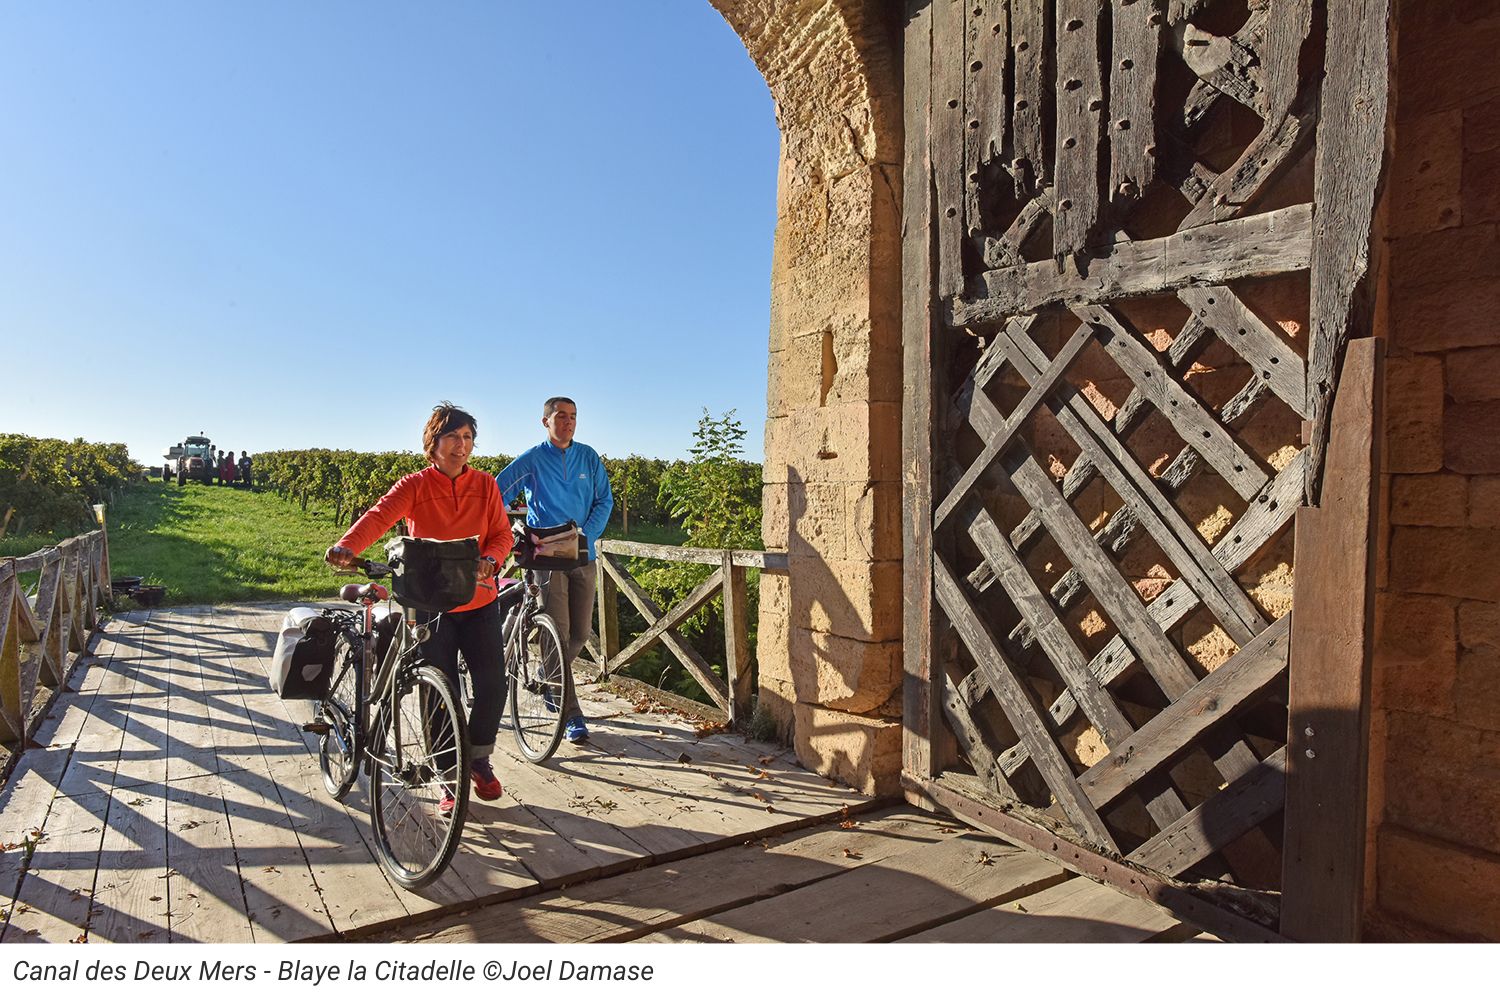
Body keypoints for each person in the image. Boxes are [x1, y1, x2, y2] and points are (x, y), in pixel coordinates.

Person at [326, 402, 512, 808]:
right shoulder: (415, 485)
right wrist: (347, 546)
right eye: (452, 437)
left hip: (478, 600)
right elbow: (379, 516)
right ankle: (448, 777)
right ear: (433, 442)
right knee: (437, 688)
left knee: (493, 686)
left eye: (467, 438)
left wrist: (492, 561)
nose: (461, 446)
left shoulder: (485, 485)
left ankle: (478, 759)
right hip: (427, 604)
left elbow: (501, 534)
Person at [496, 397, 612, 743]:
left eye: (574, 416)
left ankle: (549, 674)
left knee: (580, 632)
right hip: (544, 558)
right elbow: (497, 493)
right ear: (545, 421)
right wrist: (508, 532)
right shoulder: (532, 459)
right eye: (561, 416)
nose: (569, 422)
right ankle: (571, 714)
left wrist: (586, 535)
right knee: (558, 632)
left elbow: (604, 500)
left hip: (582, 554)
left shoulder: (588, 457)